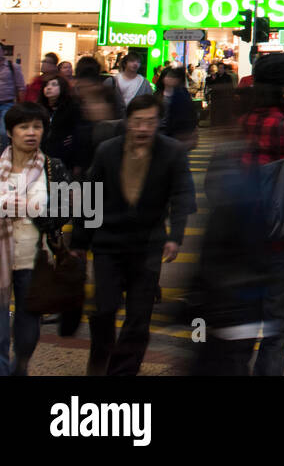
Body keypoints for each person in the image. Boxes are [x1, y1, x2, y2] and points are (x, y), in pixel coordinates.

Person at [193, 53, 284, 375]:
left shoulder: (240, 120)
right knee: (276, 325)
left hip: (239, 241)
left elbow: (216, 180)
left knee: (243, 322)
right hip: (282, 240)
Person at [72, 94, 195, 376]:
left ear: (158, 123)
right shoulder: (107, 150)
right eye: (138, 122)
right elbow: (90, 196)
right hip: (108, 244)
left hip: (148, 245)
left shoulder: (172, 152)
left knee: (139, 317)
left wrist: (175, 236)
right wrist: (80, 240)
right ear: (128, 121)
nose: (142, 129)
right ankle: (101, 351)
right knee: (104, 309)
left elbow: (182, 195)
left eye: (150, 122)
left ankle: (122, 371)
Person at [0, 102, 74, 375]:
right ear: (10, 132)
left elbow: (66, 210)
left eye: (37, 126)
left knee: (28, 323)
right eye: (24, 127)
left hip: (34, 256)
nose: (31, 132)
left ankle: (21, 364)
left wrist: (37, 211)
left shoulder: (53, 168)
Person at [37, 74, 92, 177]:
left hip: (65, 158)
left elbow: (81, 135)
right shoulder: (40, 109)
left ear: (62, 88)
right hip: (42, 157)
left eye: (54, 85)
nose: (49, 88)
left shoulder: (72, 107)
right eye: (46, 85)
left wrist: (78, 163)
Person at [158, 67, 198, 148]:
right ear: (163, 78)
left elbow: (191, 112)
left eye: (173, 77)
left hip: (178, 133)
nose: (171, 79)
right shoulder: (158, 95)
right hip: (161, 131)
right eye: (168, 76)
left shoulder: (182, 93)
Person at [104, 51, 152, 119]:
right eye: (132, 61)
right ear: (125, 63)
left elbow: (149, 102)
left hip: (135, 120)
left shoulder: (144, 83)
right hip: (114, 120)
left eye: (138, 62)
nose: (135, 64)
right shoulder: (113, 81)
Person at [0, 49, 29, 147]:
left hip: (7, 104)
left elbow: (21, 87)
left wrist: (20, 106)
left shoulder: (13, 67)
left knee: (4, 132)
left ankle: (4, 156)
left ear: (3, 52)